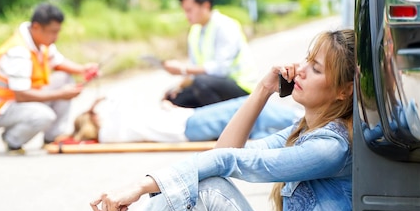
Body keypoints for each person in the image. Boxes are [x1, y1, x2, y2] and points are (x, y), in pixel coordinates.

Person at [58, 29, 373, 211]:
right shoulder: (303, 130)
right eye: (306, 59)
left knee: (207, 190)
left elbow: (228, 162)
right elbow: (226, 149)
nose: (300, 69)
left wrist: (142, 186)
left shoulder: (332, 147)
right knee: (197, 182)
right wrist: (263, 90)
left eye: (316, 69)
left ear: (345, 91)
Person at [0, 3, 98, 153]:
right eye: (52, 32)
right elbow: (21, 95)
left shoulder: (40, 42)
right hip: (6, 107)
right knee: (44, 116)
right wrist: (61, 94)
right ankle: (12, 139)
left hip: (26, 96)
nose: (55, 37)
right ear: (37, 27)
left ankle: (52, 138)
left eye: (58, 32)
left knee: (65, 78)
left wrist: (83, 69)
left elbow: (58, 62)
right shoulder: (18, 51)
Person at [163, 0, 259, 108]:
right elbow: (195, 72)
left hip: (241, 87)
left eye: (189, 10)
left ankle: (224, 124)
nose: (186, 15)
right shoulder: (195, 31)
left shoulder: (225, 26)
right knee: (174, 98)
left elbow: (220, 70)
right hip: (211, 84)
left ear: (206, 6)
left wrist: (183, 69)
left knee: (201, 83)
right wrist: (177, 87)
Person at [71, 95, 301, 143]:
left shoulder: (114, 127)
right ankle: (297, 118)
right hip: (188, 125)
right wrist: (95, 105)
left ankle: (293, 129)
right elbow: (115, 101)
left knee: (249, 118)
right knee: (246, 105)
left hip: (187, 120)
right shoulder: (109, 131)